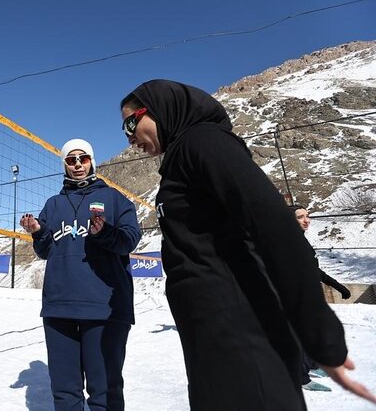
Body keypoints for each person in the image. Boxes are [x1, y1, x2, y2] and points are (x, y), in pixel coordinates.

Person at [119, 79, 375, 409]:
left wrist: (318, 328)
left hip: (240, 329)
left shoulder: (204, 141)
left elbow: (273, 223)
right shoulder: (180, 157)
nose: (128, 137)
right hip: (212, 332)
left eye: (131, 123)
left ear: (161, 109)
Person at [20, 138, 141, 411]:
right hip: (59, 307)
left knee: (105, 391)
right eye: (71, 160)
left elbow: (129, 240)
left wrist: (104, 233)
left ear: (91, 161)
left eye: (83, 158)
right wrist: (38, 232)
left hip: (104, 307)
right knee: (64, 392)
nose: (77, 164)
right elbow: (45, 251)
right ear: (65, 164)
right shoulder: (53, 204)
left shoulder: (114, 199)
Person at [290, 204, 351, 392]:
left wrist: (337, 286)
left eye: (307, 215)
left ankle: (313, 364)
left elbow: (313, 270)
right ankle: (302, 378)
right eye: (300, 217)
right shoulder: (289, 242)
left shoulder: (300, 239)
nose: (306, 220)